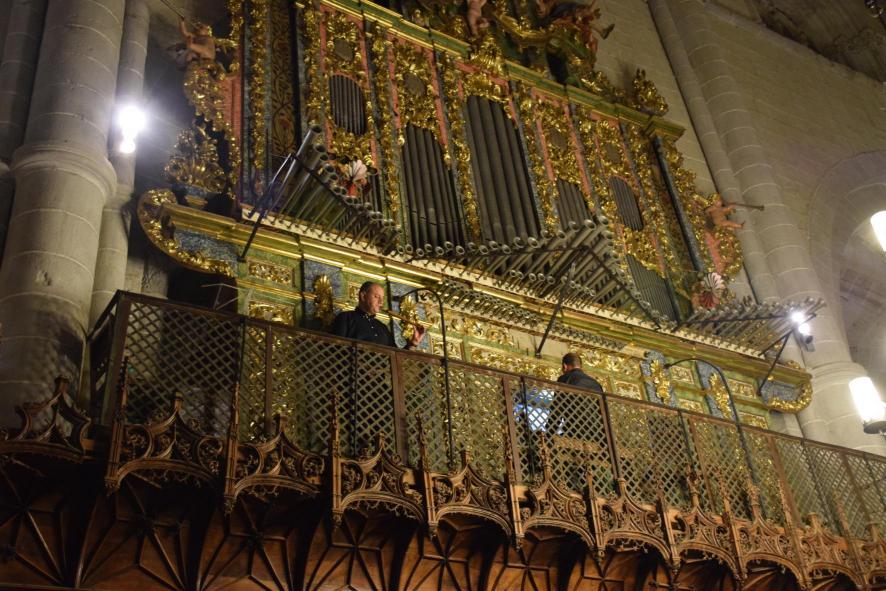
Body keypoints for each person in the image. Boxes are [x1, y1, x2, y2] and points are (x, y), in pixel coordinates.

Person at [331, 281, 425, 348]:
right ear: (363, 296)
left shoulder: (383, 328)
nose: (381, 302)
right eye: (376, 297)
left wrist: (413, 343)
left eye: (382, 298)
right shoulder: (345, 318)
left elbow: (395, 356)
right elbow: (335, 349)